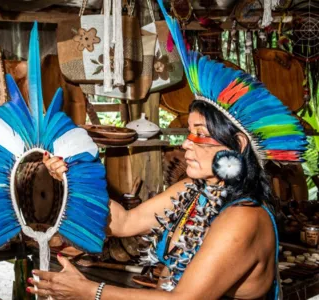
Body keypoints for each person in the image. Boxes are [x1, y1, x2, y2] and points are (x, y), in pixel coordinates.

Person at [25, 1, 307, 299]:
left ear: (236, 145)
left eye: (200, 134)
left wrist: (91, 291)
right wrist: (70, 178)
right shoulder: (194, 191)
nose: (186, 143)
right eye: (189, 132)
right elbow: (123, 223)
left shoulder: (244, 218)